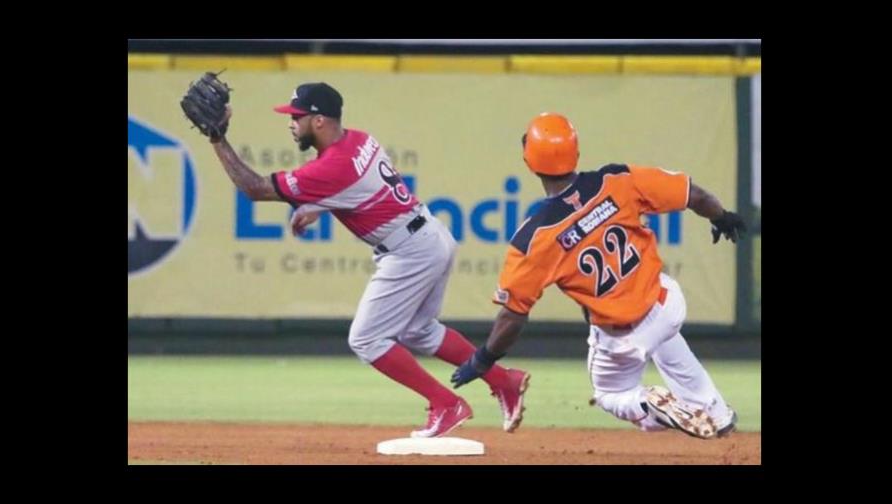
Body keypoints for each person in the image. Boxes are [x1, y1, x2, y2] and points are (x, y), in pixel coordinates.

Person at [204, 81, 530, 438]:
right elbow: (356, 189)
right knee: (418, 330)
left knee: (366, 339)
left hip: (409, 251)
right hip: (430, 235)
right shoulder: (357, 139)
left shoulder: (332, 166)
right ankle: (504, 381)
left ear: (318, 121)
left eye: (296, 117)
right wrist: (316, 206)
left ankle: (445, 404)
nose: (290, 123)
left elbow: (254, 189)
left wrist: (218, 139)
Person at [450, 112, 746, 439]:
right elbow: (696, 195)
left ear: (529, 163)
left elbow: (513, 317)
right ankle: (716, 413)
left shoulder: (535, 238)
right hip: (667, 305)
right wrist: (722, 217)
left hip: (622, 338)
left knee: (610, 395)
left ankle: (648, 401)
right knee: (666, 339)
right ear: (575, 152)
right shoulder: (617, 180)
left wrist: (484, 358)